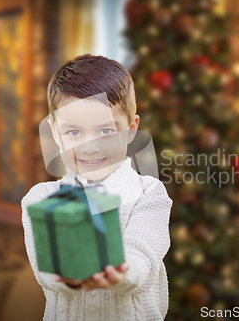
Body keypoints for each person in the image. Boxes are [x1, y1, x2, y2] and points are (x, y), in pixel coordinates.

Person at [21, 54, 173, 321]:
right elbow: (46, 273)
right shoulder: (39, 200)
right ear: (55, 133)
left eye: (106, 131)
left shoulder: (148, 193)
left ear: (130, 129)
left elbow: (142, 259)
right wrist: (67, 273)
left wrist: (118, 271)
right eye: (74, 132)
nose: (90, 147)